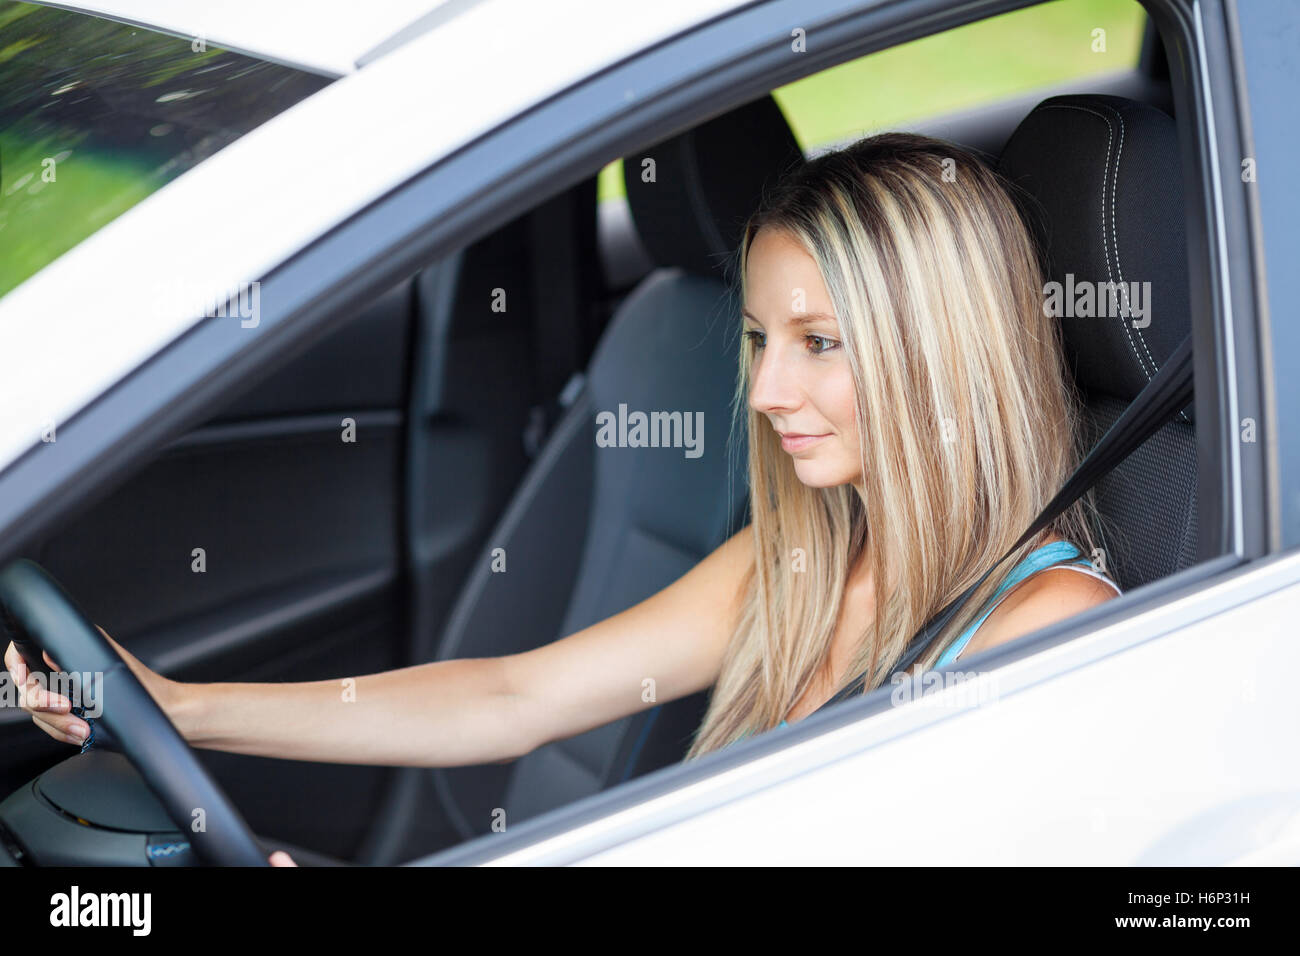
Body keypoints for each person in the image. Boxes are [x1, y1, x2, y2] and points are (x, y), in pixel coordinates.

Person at [6, 132, 1120, 861]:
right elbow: (507, 697)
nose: (769, 390)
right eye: (757, 339)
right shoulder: (807, 558)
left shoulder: (1044, 629)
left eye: (819, 343)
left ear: (939, 350)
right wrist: (175, 704)